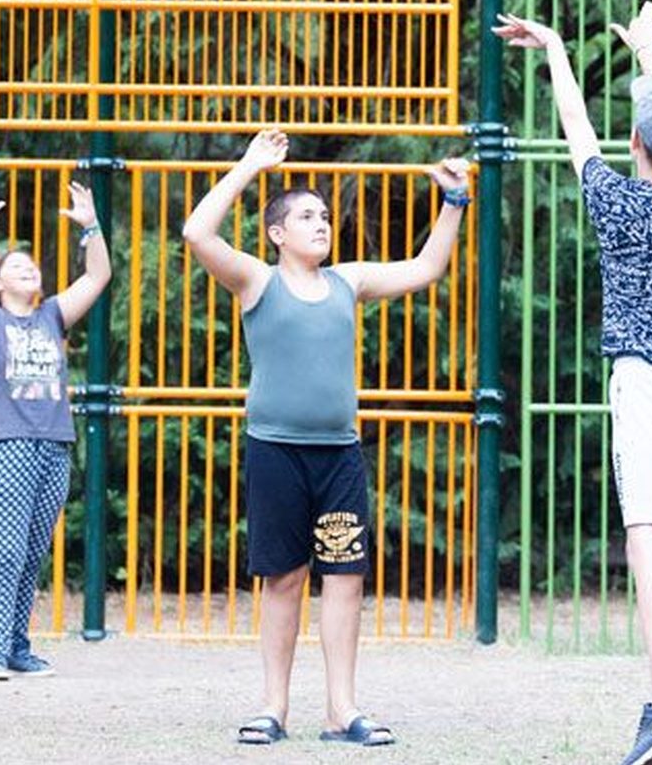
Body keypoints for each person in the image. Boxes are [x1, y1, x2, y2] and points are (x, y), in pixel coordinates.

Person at [493, 2, 652, 765]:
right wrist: (650, 56)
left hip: (648, 387)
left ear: (636, 142)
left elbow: (576, 129)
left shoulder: (616, 200)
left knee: (649, 542)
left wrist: (559, 51)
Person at [181, 129, 472, 748]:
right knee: (283, 578)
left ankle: (343, 711)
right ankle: (273, 709)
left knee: (345, 578)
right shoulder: (257, 281)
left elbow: (426, 268)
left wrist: (454, 203)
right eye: (306, 216)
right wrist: (251, 166)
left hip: (339, 455)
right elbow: (197, 234)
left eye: (323, 215)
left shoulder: (349, 281)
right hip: (275, 450)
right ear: (277, 234)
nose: (321, 223)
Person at [0, 176, 111, 680]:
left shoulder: (52, 316)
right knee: (4, 550)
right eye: (15, 267)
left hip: (53, 445)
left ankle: (17, 645)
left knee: (32, 552)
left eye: (31, 265)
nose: (28, 269)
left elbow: (98, 277)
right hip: (2, 445)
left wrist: (91, 227)